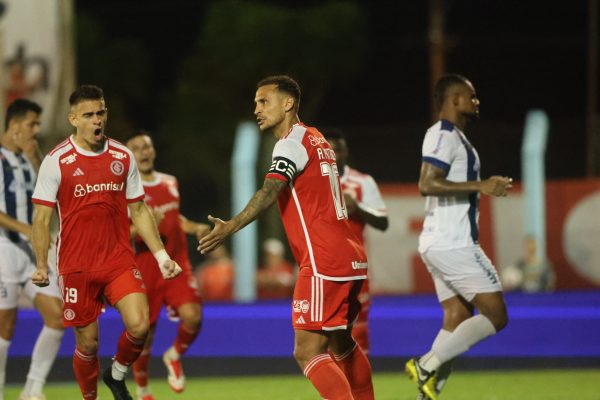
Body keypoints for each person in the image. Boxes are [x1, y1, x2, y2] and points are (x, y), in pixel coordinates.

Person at [199, 75, 374, 400]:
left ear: (288, 103)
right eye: (255, 103)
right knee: (341, 343)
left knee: (307, 352)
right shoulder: (317, 138)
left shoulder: (291, 142)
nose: (256, 109)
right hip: (350, 254)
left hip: (324, 260)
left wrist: (231, 226)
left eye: (264, 101)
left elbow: (270, 189)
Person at [30, 85, 181, 400]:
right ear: (73, 118)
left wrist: (161, 255)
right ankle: (90, 397)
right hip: (76, 265)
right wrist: (42, 264)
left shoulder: (122, 155)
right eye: (88, 115)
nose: (97, 120)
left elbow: (138, 210)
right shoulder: (56, 160)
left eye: (101, 113)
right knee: (88, 344)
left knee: (140, 326)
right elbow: (42, 219)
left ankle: (116, 374)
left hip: (118, 260)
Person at [405, 74, 512, 400]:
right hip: (454, 243)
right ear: (454, 100)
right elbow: (427, 183)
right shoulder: (443, 134)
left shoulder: (458, 139)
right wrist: (482, 186)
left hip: (442, 242)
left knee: (458, 316)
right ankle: (426, 365)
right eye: (471, 96)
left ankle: (427, 392)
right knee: (496, 315)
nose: (476, 101)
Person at [126, 131, 208, 400]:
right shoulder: (125, 191)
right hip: (145, 266)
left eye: (147, 146)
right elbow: (120, 235)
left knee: (193, 316)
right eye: (137, 148)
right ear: (129, 156)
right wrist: (144, 225)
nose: (144, 151)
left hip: (177, 263)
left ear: (154, 151)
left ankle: (173, 355)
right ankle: (143, 389)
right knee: (144, 333)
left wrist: (194, 227)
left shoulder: (170, 182)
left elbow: (175, 217)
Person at [0, 99, 64, 400]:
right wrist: (27, 229)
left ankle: (32, 389)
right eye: (31, 124)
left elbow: (49, 190)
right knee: (5, 327)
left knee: (57, 316)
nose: (35, 130)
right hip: (4, 250)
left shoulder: (28, 158)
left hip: (31, 254)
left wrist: (36, 157)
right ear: (14, 126)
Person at [324, 129, 388, 355]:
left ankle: (360, 388)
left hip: (355, 267)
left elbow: (383, 221)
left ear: (344, 152)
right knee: (324, 331)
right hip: (322, 268)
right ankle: (334, 388)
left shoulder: (362, 182)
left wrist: (358, 207)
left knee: (357, 328)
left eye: (336, 150)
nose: (332, 155)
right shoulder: (311, 181)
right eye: (327, 150)